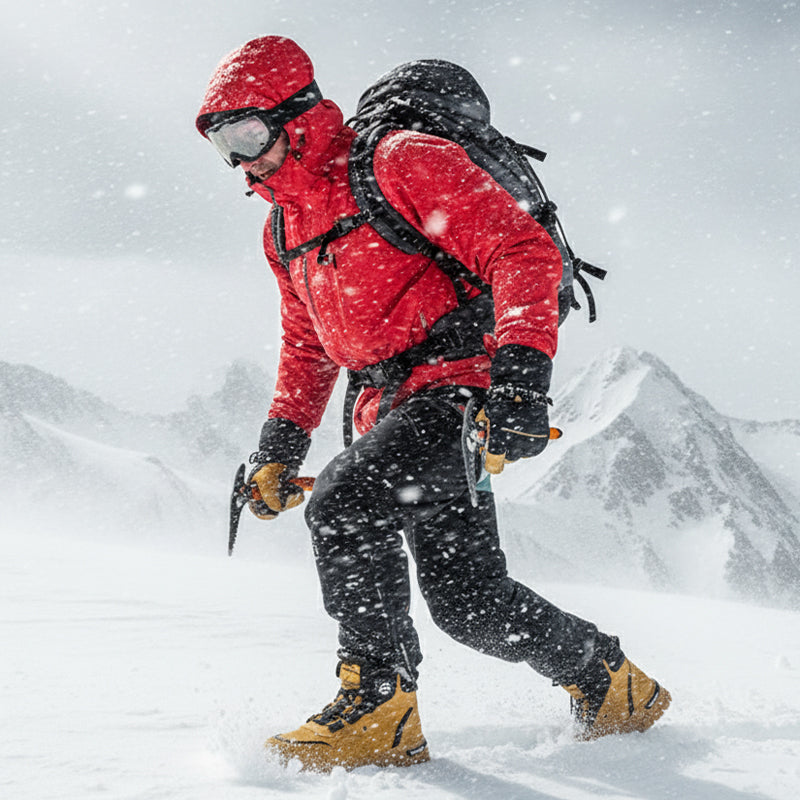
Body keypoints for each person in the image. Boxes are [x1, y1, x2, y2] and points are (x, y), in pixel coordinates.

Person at [196, 35, 670, 773]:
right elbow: (307, 345)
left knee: (345, 504)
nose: (239, 159)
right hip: (389, 408)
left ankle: (378, 707)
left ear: (297, 113)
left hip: (460, 388)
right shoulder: (283, 225)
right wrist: (277, 451)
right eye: (223, 144)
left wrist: (519, 379)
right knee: (469, 602)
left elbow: (523, 254)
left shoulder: (400, 159)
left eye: (247, 134)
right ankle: (612, 684)